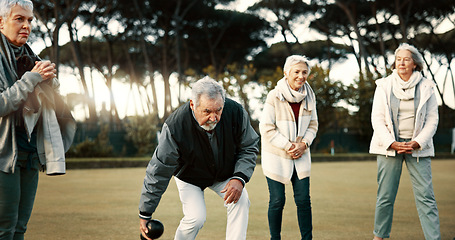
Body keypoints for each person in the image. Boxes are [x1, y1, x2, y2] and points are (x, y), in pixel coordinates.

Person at [138, 77, 259, 240]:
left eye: (218, 110)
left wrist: (239, 178)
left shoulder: (235, 112)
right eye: (207, 111)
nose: (214, 117)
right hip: (190, 177)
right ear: (192, 105)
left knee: (241, 200)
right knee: (196, 218)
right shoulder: (175, 126)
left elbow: (248, 146)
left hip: (224, 173)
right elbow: (159, 170)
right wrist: (145, 212)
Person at [0, 0, 75, 239]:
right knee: (4, 229)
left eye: (30, 20)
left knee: (20, 227)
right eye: (19, 19)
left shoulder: (33, 57)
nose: (27, 26)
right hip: (3, 156)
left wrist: (51, 83)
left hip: (31, 152)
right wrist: (32, 79)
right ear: (1, 22)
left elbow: (49, 103)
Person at [370, 43, 441, 240]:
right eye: (398, 58)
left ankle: (433, 238)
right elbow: (377, 119)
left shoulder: (428, 86)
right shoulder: (383, 85)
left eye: (406, 59)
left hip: (417, 148)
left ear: (415, 64)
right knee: (385, 196)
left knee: (426, 196)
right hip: (389, 147)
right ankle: (380, 236)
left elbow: (432, 119)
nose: (401, 62)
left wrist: (418, 142)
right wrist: (391, 143)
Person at [259, 55, 318, 240]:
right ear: (286, 73)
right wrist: (288, 146)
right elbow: (266, 128)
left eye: (304, 72)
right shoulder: (274, 95)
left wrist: (303, 144)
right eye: (297, 72)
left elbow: (313, 125)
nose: (301, 76)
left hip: (301, 156)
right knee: (277, 201)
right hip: (276, 156)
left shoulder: (310, 95)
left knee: (303, 201)